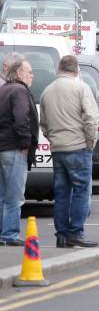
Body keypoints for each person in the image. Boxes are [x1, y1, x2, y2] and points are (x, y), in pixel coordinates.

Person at [39, 56, 99, 248]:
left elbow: (44, 123)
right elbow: (91, 117)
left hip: (58, 149)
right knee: (81, 190)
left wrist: (53, 140)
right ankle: (76, 232)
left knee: (62, 193)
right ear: (77, 70)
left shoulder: (47, 91)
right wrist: (90, 142)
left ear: (59, 68)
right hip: (79, 146)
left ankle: (62, 235)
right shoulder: (81, 88)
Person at [0, 56, 37, 246]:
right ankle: (10, 234)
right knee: (14, 195)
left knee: (2, 195)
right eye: (29, 72)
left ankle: (2, 234)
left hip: (2, 147)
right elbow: (21, 117)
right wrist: (25, 143)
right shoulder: (19, 90)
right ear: (19, 73)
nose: (32, 75)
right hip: (14, 149)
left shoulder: (4, 89)